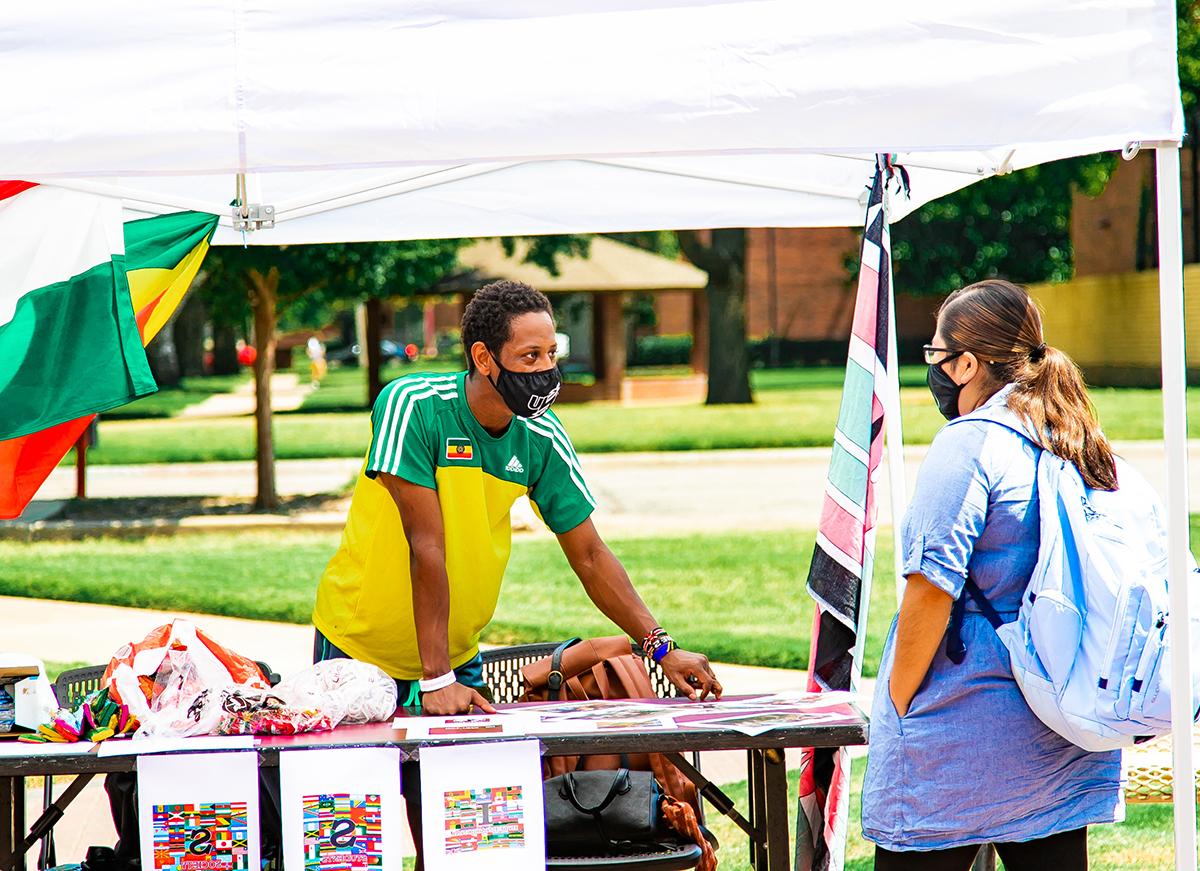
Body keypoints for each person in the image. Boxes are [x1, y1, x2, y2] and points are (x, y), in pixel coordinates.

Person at [311, 280, 722, 862]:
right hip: (358, 652)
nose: (546, 370)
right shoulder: (413, 405)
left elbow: (590, 555)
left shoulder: (542, 436)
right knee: (344, 843)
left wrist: (660, 647)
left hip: (455, 660)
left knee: (473, 848)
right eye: (530, 357)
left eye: (552, 354)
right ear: (483, 357)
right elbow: (424, 545)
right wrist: (433, 682)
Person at [861, 280, 1123, 870]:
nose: (932, 368)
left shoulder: (970, 443)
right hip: (1064, 719)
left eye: (936, 354)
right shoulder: (1071, 434)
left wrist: (898, 703)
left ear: (969, 363)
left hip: (967, 726)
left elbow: (931, 589)